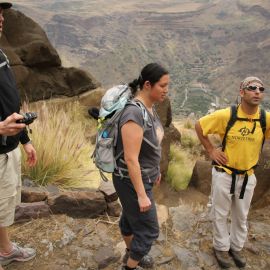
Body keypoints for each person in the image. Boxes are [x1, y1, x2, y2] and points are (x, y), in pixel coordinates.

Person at [195, 76, 270, 269]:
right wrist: (211, 150)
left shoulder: (264, 118)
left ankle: (236, 247)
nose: (257, 92)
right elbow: (199, 126)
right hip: (224, 174)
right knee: (219, 213)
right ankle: (221, 247)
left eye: (261, 89)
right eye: (252, 88)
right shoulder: (226, 115)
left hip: (248, 176)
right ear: (242, 92)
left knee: (241, 215)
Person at [113, 63, 169, 270]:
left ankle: (130, 253)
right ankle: (130, 266)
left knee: (130, 219)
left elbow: (151, 146)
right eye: (162, 86)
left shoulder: (149, 108)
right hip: (130, 180)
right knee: (150, 229)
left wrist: (156, 171)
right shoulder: (133, 114)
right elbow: (131, 159)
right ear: (147, 85)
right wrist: (141, 194)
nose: (166, 90)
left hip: (144, 176)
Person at [0, 2, 37, 268]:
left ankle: (5, 250)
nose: (1, 18)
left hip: (8, 149)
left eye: (0, 14)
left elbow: (10, 103)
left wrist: (25, 140)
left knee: (4, 208)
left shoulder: (1, 54)